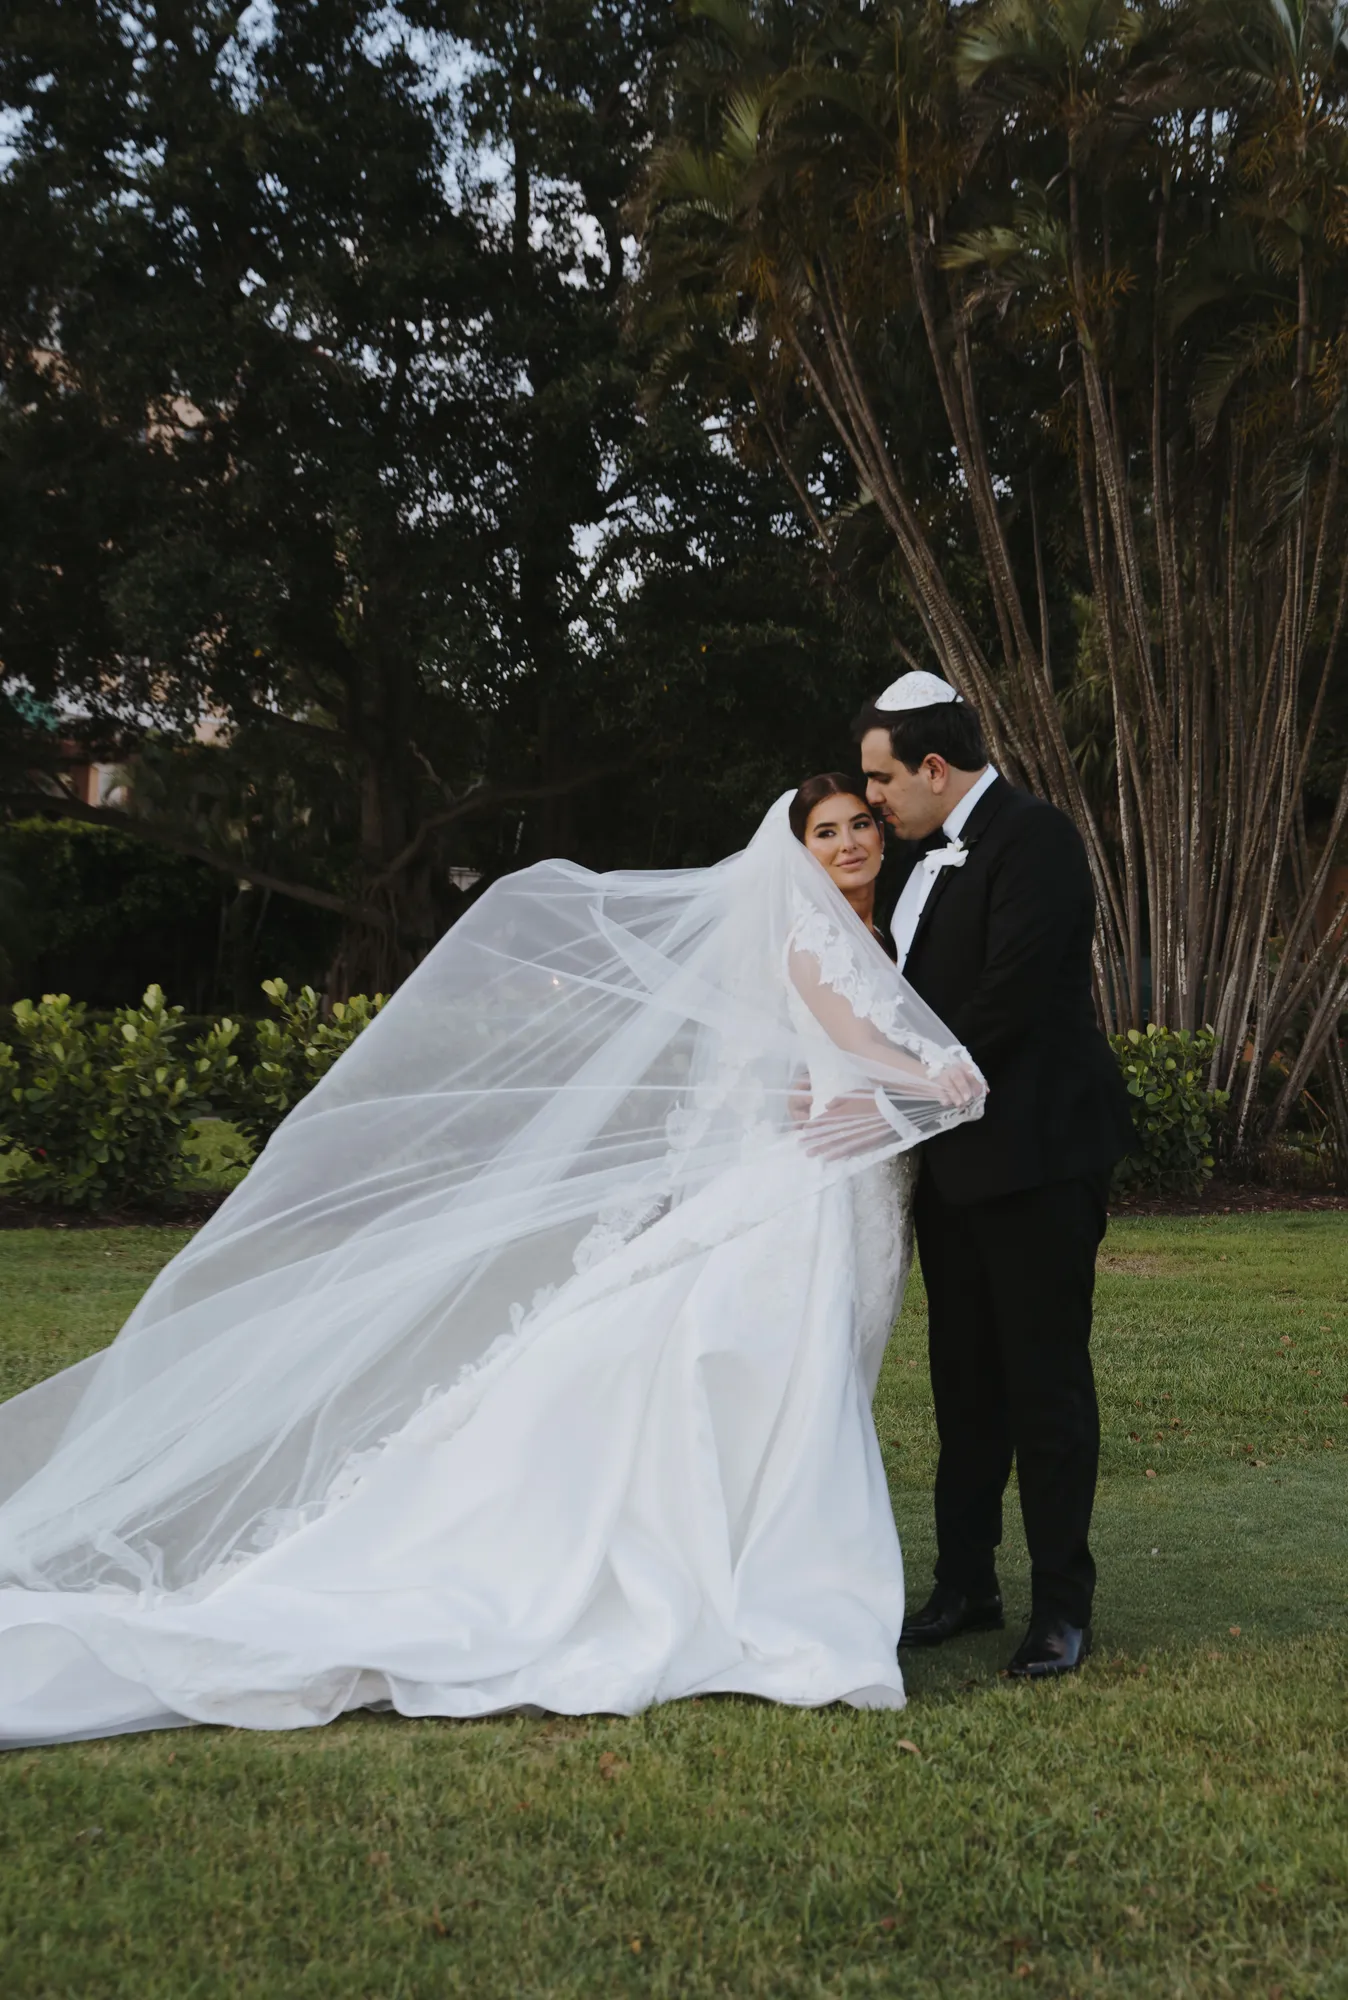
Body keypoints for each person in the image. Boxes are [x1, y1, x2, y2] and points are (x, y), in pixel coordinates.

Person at [0, 783, 982, 1747]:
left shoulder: (863, 931)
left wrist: (846, 1085)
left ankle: (753, 1561)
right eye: (827, 831)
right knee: (779, 1374)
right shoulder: (812, 936)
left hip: (849, 1176)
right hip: (812, 1195)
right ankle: (777, 1586)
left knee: (798, 1375)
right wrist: (949, 1076)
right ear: (797, 850)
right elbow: (864, 1046)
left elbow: (817, 1055)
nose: (849, 842)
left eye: (859, 824)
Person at [852, 671, 1136, 1679]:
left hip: (1037, 1160)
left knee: (1044, 1384)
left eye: (881, 779)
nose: (873, 799)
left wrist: (893, 1096)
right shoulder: (921, 860)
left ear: (933, 767)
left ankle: (1062, 1606)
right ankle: (965, 1582)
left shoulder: (1038, 838)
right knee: (963, 1383)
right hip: (952, 1167)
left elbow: (1006, 1001)